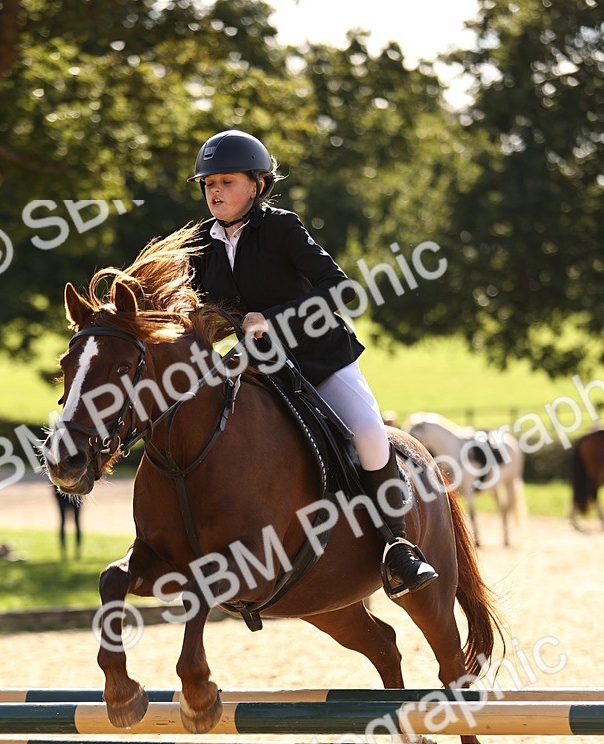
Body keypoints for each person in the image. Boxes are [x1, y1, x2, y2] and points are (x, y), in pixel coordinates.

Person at [187, 129, 438, 599]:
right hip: (255, 365)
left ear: (258, 185)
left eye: (226, 181)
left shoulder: (281, 227)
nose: (215, 191)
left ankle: (397, 546)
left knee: (366, 432)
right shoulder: (200, 242)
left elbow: (339, 290)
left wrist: (275, 320)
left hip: (319, 358)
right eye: (208, 184)